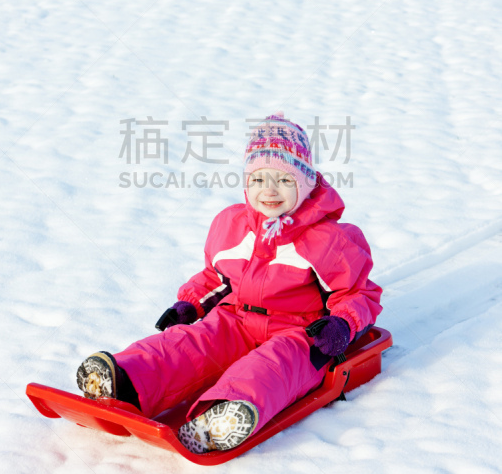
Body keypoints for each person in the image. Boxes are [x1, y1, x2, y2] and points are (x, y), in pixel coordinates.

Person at [76, 113, 382, 453]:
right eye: (258, 179)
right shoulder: (232, 225)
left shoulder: (329, 241)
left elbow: (358, 293)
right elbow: (215, 277)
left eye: (284, 180)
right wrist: (189, 303)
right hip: (235, 318)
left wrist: (342, 323)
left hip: (299, 332)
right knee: (191, 344)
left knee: (271, 368)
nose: (269, 190)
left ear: (305, 183)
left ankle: (220, 417)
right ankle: (125, 381)